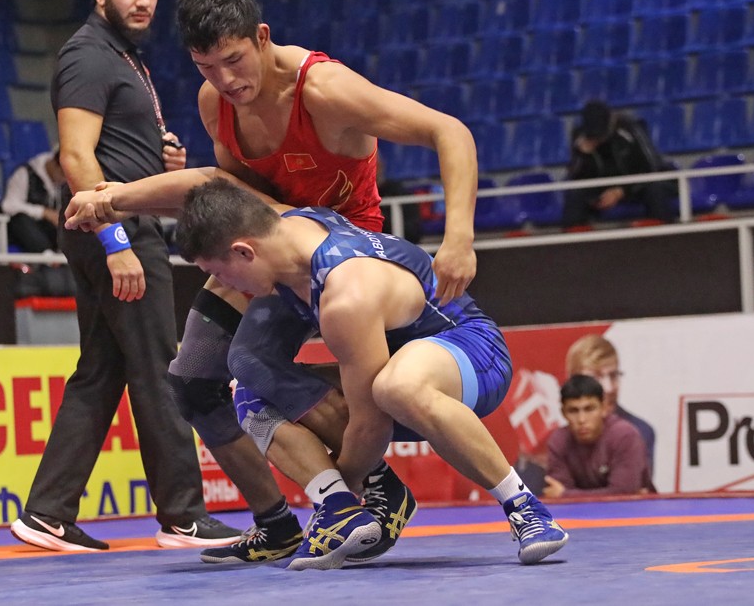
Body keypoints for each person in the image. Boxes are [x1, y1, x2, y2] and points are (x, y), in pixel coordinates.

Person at [128, 0, 478, 565]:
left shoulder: (325, 90)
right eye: (207, 67)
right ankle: (281, 523)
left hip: (346, 255)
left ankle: (370, 486)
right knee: (193, 381)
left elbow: (449, 131)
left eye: (234, 60)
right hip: (273, 248)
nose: (226, 80)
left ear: (262, 37)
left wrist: (459, 237)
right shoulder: (215, 101)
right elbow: (234, 198)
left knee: (255, 365)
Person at [69, 174, 568, 568]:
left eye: (219, 273)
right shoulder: (280, 230)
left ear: (244, 251)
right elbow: (205, 182)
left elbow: (370, 424)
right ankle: (339, 511)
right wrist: (114, 200)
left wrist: (343, 477)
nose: (224, 286)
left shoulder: (344, 295)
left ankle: (524, 507)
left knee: (394, 387)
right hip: (399, 359)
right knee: (252, 387)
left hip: (469, 353)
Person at [9, 0, 240, 553]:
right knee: (162, 367)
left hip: (118, 225)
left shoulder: (121, 56)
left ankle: (48, 512)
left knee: (100, 371)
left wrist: (161, 164)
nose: (144, 0)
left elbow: (109, 149)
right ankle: (183, 515)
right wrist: (116, 242)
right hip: (116, 232)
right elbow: (75, 156)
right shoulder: (88, 55)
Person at [562, 100, 676, 228]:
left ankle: (660, 227)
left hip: (637, 184)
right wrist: (583, 156)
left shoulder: (630, 128)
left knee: (655, 188)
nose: (599, 139)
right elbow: (575, 177)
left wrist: (622, 191)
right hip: (602, 186)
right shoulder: (580, 136)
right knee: (575, 194)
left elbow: (651, 166)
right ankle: (575, 233)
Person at [543, 375, 653, 498]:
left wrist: (566, 495)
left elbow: (623, 496)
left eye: (589, 409)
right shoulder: (558, 442)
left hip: (637, 509)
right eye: (573, 411)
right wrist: (565, 496)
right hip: (577, 510)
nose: (582, 419)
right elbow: (558, 496)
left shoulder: (625, 436)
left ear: (604, 408)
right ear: (563, 413)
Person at [564, 333, 656, 476]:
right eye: (596, 377)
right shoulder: (556, 435)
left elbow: (631, 488)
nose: (609, 388)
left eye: (613, 376)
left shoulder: (640, 431)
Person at [1, 150, 66, 253]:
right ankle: (46, 254)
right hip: (23, 231)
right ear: (54, 163)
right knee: (20, 219)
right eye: (63, 174)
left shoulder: (63, 186)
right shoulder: (25, 173)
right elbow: (9, 205)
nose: (64, 180)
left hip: (48, 232)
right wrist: (43, 212)